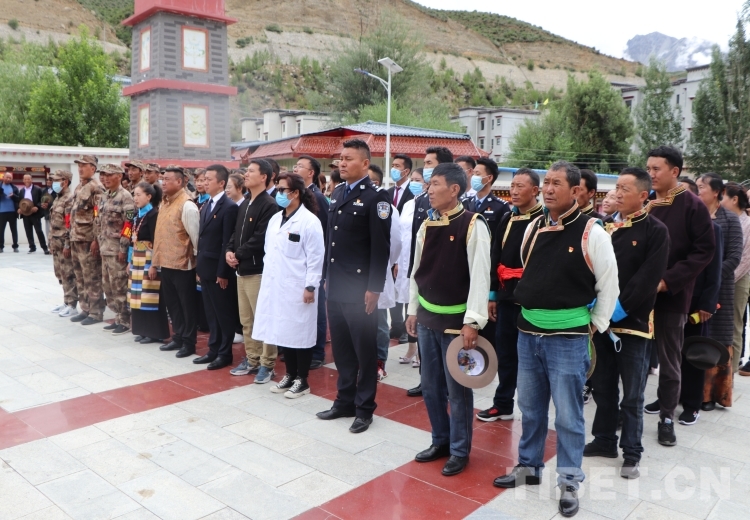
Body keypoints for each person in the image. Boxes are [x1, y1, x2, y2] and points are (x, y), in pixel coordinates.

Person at [493, 161, 619, 519]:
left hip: (568, 337)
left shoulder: (592, 231)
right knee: (530, 408)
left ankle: (569, 481)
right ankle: (529, 466)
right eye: (546, 182)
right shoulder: (534, 226)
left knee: (567, 414)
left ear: (576, 191)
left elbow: (609, 285)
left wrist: (595, 325)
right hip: (528, 332)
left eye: (556, 183)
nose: (548, 189)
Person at [406, 162, 491, 477]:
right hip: (428, 317)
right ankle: (440, 440)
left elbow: (480, 276)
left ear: (454, 189)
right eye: (429, 184)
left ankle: (459, 449)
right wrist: (412, 309)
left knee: (458, 389)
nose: (428, 190)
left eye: (435, 184)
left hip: (457, 323)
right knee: (430, 386)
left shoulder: (473, 224)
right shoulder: (427, 225)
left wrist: (473, 321)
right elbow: (417, 270)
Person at [584, 167, 669, 479]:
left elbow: (646, 280)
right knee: (603, 387)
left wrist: (612, 311)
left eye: (624, 189)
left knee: (632, 394)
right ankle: (604, 440)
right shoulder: (602, 226)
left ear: (643, 195)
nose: (617, 193)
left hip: (632, 322)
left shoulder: (656, 231)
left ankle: (632, 452)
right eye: (616, 187)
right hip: (599, 322)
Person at [316, 139, 391, 434]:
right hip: (336, 286)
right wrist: (325, 277)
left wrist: (375, 288)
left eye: (348, 159)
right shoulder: (338, 193)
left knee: (364, 351)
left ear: (365, 163)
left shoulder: (377, 198)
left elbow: (381, 248)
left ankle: (364, 408)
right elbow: (331, 241)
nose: (342, 163)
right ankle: (344, 401)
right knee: (343, 350)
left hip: (360, 290)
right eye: (341, 158)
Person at [644, 145, 715, 447]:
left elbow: (704, 251)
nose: (651, 174)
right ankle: (628, 410)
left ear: (674, 171)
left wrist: (667, 281)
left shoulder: (692, 206)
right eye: (648, 168)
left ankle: (666, 417)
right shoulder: (647, 203)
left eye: (656, 168)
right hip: (638, 296)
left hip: (671, 296)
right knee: (635, 358)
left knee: (670, 360)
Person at [479, 168, 543, 422]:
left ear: (535, 190)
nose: (514, 191)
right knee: (505, 352)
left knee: (531, 358)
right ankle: (503, 403)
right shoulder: (507, 218)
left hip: (532, 300)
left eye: (520, 186)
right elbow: (495, 255)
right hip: (506, 297)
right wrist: (492, 294)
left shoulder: (544, 220)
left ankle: (533, 410)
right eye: (512, 186)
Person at [254, 172, 325, 397]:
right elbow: (269, 252)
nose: (278, 194)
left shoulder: (309, 221)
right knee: (283, 333)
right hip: (276, 285)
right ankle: (290, 374)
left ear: (295, 193)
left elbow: (316, 258)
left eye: (282, 190)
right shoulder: (276, 219)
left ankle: (302, 380)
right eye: (277, 189)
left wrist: (310, 286)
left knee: (300, 334)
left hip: (298, 287)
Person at [406, 147, 455, 398]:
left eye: (429, 164)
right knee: (426, 345)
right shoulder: (422, 201)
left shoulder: (461, 207)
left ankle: (444, 385)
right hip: (424, 279)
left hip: (448, 290)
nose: (425, 168)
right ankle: (426, 380)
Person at [226, 159, 280, 381]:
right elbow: (236, 232)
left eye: (250, 171)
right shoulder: (246, 202)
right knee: (247, 320)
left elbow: (260, 238)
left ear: (264, 177)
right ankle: (252, 358)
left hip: (258, 271)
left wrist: (238, 254)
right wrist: (229, 250)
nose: (246, 174)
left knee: (263, 319)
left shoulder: (269, 205)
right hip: (241, 269)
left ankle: (267, 363)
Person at [696, 173, 742, 411]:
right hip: (694, 285)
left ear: (716, 192)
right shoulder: (694, 215)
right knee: (695, 336)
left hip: (721, 287)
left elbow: (734, 257)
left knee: (718, 338)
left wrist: (711, 276)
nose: (698, 191)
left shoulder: (730, 219)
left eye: (701, 187)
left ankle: (712, 395)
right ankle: (692, 392)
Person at [192, 165, 240, 370]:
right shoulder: (207, 204)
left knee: (223, 314)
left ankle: (224, 353)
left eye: (209, 179)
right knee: (211, 313)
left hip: (219, 270)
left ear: (221, 183)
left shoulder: (229, 207)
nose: (204, 182)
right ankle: (213, 349)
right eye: (204, 179)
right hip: (206, 267)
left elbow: (227, 242)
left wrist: (223, 272)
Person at [152, 165, 200, 359]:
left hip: (183, 264)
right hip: (166, 262)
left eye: (167, 179)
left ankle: (189, 342)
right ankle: (178, 336)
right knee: (173, 304)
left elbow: (195, 237)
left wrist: (197, 263)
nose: (163, 183)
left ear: (179, 182)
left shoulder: (187, 205)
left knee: (186, 305)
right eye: (163, 179)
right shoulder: (164, 203)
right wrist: (155, 261)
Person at [294, 155, 330, 369]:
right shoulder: (297, 196)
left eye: (300, 166)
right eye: (295, 165)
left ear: (311, 173)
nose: (295, 169)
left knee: (316, 309)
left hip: (315, 264)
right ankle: (301, 347)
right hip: (298, 263)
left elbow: (324, 234)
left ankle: (317, 352)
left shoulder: (317, 198)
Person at [368, 164, 402, 381]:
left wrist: (384, 264)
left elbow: (396, 243)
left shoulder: (387, 208)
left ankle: (380, 361)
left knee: (379, 322)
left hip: (377, 271)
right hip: (354, 276)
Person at [127, 182, 170, 345]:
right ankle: (142, 330)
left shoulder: (153, 215)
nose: (135, 198)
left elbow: (157, 241)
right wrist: (129, 261)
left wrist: (154, 265)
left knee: (150, 296)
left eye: (139, 195)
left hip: (148, 259)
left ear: (149, 196)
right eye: (134, 195)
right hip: (136, 259)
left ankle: (155, 333)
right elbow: (132, 240)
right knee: (138, 296)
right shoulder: (137, 214)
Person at [95, 164, 136, 335]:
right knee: (108, 286)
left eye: (109, 175)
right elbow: (98, 220)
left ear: (119, 176)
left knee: (119, 285)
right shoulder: (104, 196)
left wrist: (123, 248)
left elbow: (128, 225)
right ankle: (117, 316)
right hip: (105, 248)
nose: (105, 178)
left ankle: (125, 320)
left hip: (117, 249)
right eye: (103, 175)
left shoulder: (125, 197)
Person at [68, 155, 106, 326]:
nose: (80, 168)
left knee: (92, 277)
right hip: (76, 238)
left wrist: (96, 240)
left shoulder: (97, 188)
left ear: (93, 168)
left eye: (84, 165)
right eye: (79, 165)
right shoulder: (79, 187)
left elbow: (99, 216)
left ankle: (96, 312)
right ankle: (85, 308)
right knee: (80, 276)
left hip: (88, 240)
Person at [397, 168, 425, 369]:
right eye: (412, 179)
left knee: (420, 306)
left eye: (418, 180)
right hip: (405, 261)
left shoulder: (427, 203)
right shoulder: (408, 204)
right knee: (409, 306)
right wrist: (397, 262)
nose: (414, 183)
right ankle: (411, 347)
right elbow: (400, 234)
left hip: (420, 260)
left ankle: (422, 351)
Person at [386, 154, 413, 342]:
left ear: (406, 171)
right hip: (390, 247)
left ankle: (405, 328)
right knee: (392, 288)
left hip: (406, 249)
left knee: (405, 288)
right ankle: (396, 325)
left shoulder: (413, 193)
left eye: (397, 166)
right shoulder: (387, 193)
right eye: (393, 165)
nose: (393, 169)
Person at [724, 183, 750, 376]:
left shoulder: (747, 224)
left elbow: (745, 259)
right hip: (723, 276)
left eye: (723, 196)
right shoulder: (724, 220)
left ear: (734, 200)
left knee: (734, 325)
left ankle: (729, 374)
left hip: (738, 278)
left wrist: (725, 278)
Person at [48, 170, 79, 318]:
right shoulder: (58, 198)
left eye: (56, 180)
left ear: (65, 182)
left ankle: (72, 305)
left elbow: (69, 225)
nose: (53, 183)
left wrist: (67, 245)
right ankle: (66, 301)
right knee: (60, 274)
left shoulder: (69, 199)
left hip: (63, 244)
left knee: (68, 274)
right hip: (56, 243)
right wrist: (50, 242)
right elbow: (53, 223)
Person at [18, 174, 49, 254]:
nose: (27, 181)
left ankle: (44, 247)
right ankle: (32, 247)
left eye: (28, 179)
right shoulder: (22, 191)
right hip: (25, 214)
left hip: (35, 214)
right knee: (28, 231)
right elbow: (20, 202)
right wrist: (19, 209)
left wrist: (37, 207)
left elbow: (42, 199)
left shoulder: (37, 189)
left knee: (39, 231)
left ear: (31, 180)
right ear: (23, 180)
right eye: (25, 179)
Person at [0, 172, 20, 253]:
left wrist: (13, 196)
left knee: (14, 230)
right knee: (1, 230)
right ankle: (1, 246)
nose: (8, 179)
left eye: (10, 178)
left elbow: (19, 199)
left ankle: (15, 246)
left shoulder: (14, 188)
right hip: (1, 212)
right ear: (3, 177)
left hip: (12, 212)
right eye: (7, 177)